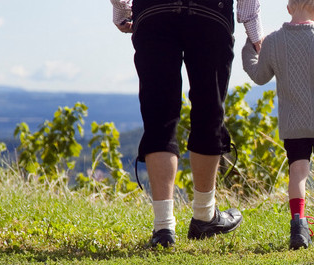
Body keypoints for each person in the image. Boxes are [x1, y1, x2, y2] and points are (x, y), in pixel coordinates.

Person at [110, 0, 264, 247]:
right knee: (208, 111)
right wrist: (254, 30)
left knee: (159, 117)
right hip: (210, 12)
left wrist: (122, 9)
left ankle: (163, 228)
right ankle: (204, 216)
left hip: (154, 11)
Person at [242, 0, 314, 249]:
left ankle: (299, 227)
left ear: (289, 8)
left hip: (293, 124)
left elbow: (258, 76)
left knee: (297, 173)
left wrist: (249, 47)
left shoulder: (272, 42)